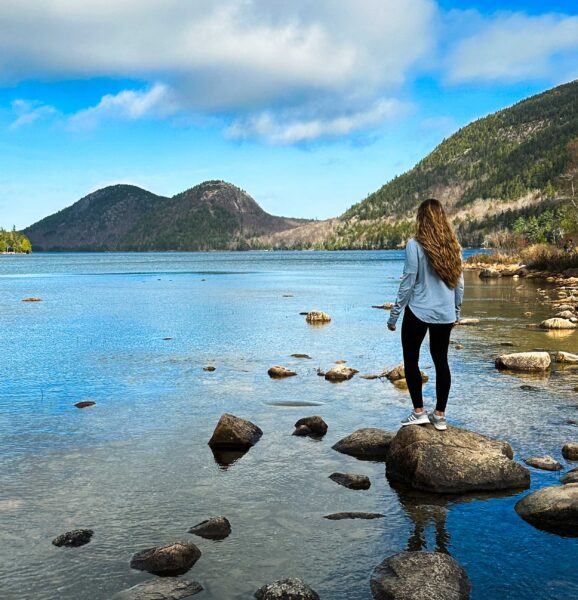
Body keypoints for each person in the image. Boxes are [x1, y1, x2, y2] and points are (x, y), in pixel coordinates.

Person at [387, 199, 464, 431]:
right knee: (441, 361)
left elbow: (408, 282)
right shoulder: (454, 247)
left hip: (418, 311)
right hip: (444, 314)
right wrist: (456, 311)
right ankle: (440, 415)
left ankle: (418, 412)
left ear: (421, 219)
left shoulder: (415, 245)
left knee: (411, 359)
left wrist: (394, 314)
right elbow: (459, 285)